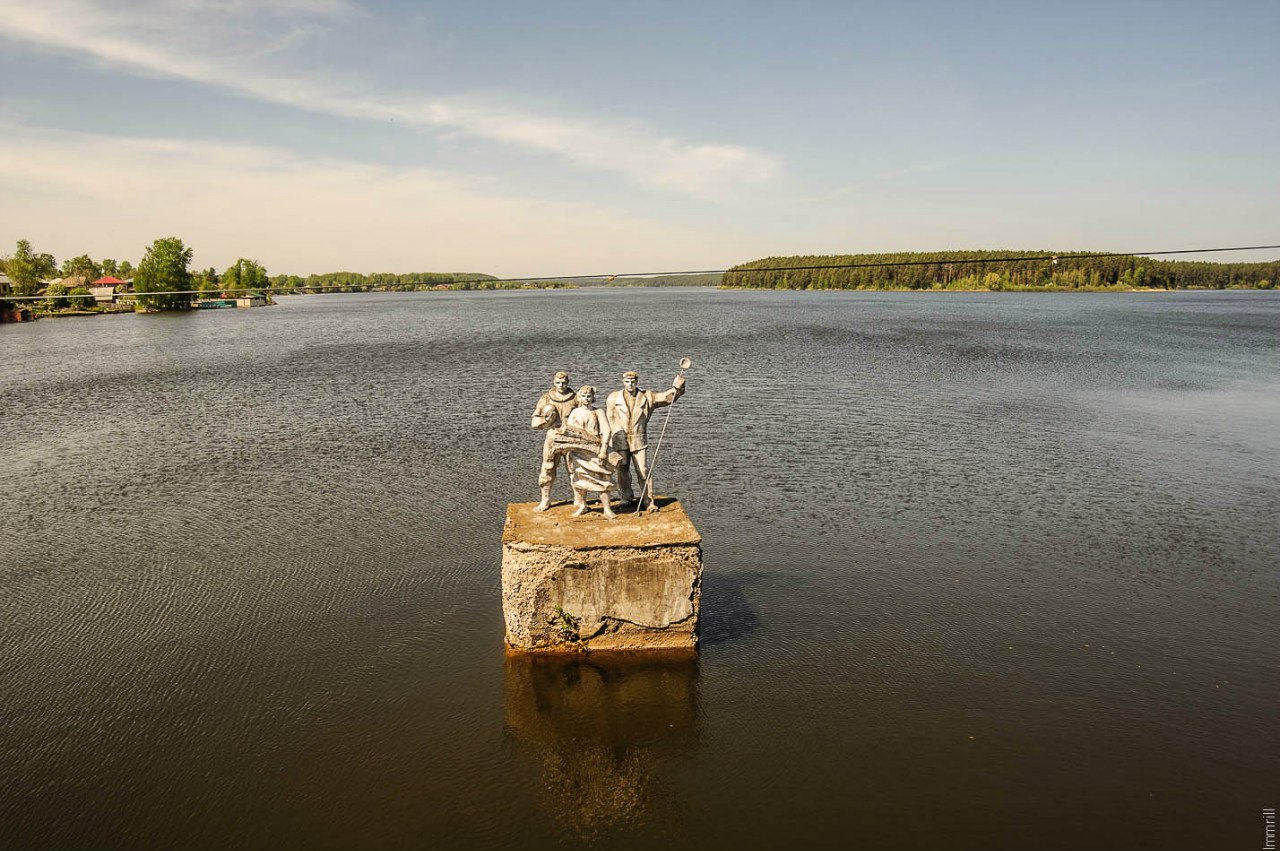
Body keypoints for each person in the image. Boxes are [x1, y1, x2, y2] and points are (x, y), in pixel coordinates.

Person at [606, 370, 686, 510]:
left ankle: (648, 500)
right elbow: (610, 419)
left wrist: (677, 388)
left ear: (637, 382)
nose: (630, 384)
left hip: (638, 439)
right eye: (627, 381)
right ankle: (625, 497)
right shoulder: (613, 398)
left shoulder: (647, 396)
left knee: (643, 470)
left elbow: (667, 397)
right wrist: (611, 439)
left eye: (633, 382)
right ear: (623, 382)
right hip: (620, 439)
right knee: (622, 469)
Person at [560, 386, 618, 518]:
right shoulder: (575, 412)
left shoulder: (598, 412)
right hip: (578, 451)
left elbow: (607, 431)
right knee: (579, 478)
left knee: (602, 478)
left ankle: (607, 509)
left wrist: (603, 449)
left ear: (592, 397)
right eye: (584, 396)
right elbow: (569, 431)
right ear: (579, 397)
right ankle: (582, 505)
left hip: (595, 450)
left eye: (589, 396)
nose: (586, 399)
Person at [530, 371, 579, 511]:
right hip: (553, 437)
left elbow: (585, 415)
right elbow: (534, 422)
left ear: (568, 382)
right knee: (548, 468)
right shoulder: (546, 398)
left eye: (563, 382)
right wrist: (545, 420)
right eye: (558, 382)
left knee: (574, 468)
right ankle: (545, 500)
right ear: (553, 382)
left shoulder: (576, 398)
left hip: (571, 438)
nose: (561, 385)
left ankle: (579, 499)